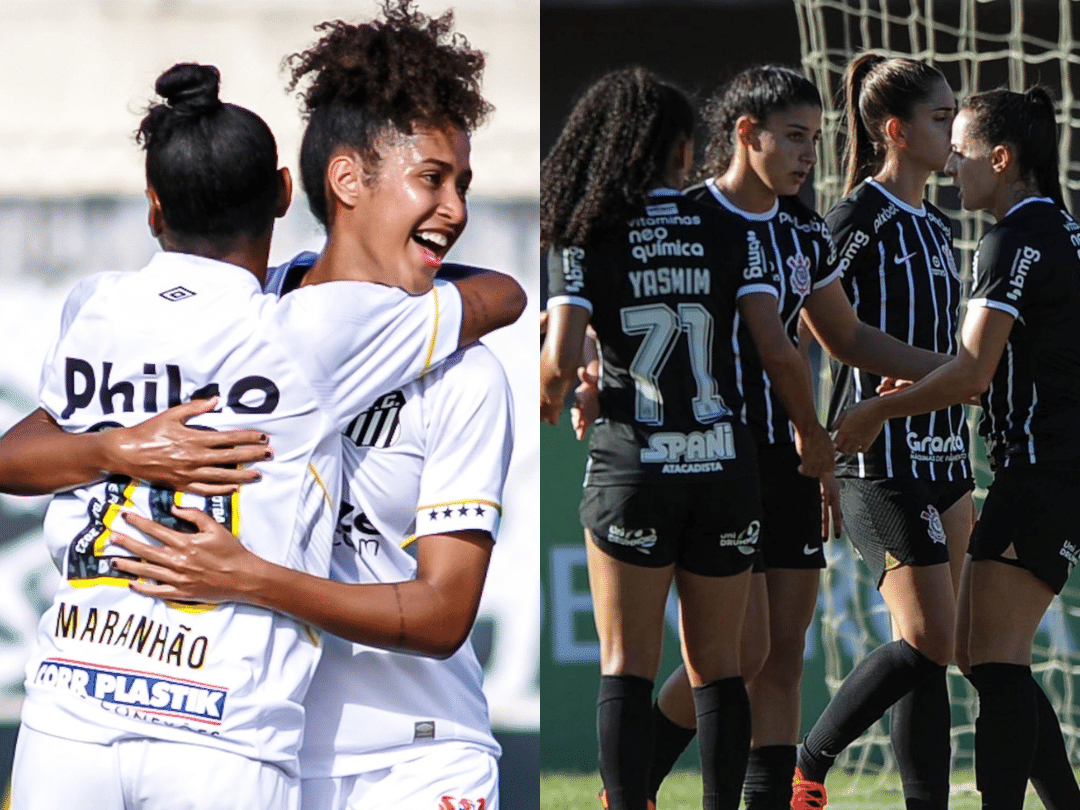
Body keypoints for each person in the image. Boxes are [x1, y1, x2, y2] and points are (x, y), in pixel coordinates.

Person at [3, 55, 523, 810]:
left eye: (463, 186)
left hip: (416, 749)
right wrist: (115, 447)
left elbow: (444, 613)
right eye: (433, 179)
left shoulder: (464, 375)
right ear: (335, 183)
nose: (455, 208)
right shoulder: (255, 317)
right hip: (254, 736)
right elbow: (24, 451)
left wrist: (249, 578)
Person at [638, 65, 951, 810]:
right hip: (713, 456)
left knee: (782, 655)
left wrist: (956, 371)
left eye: (815, 138)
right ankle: (637, 773)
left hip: (791, 457)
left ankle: (772, 797)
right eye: (793, 137)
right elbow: (630, 306)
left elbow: (843, 335)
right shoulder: (685, 219)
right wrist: (589, 371)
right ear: (746, 135)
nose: (809, 154)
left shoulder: (806, 229)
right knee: (734, 654)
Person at [541, 65, 836, 810]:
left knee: (627, 665)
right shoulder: (725, 226)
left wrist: (567, 387)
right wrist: (814, 434)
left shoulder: (588, 232)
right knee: (724, 668)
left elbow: (558, 357)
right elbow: (777, 347)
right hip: (725, 467)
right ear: (679, 151)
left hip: (636, 465)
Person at [830, 85, 1080, 810]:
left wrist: (880, 408)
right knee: (978, 655)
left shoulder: (1012, 239)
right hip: (1044, 471)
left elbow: (973, 373)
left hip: (1042, 471)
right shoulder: (1060, 229)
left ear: (1001, 159)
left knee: (993, 665)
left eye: (963, 151)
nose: (951, 168)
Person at [792, 55, 971, 810]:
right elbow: (824, 325)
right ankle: (808, 762)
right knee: (929, 637)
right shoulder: (853, 222)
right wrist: (946, 370)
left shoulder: (936, 220)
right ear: (894, 131)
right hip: (882, 460)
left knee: (935, 653)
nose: (955, 132)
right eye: (940, 118)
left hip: (950, 457)